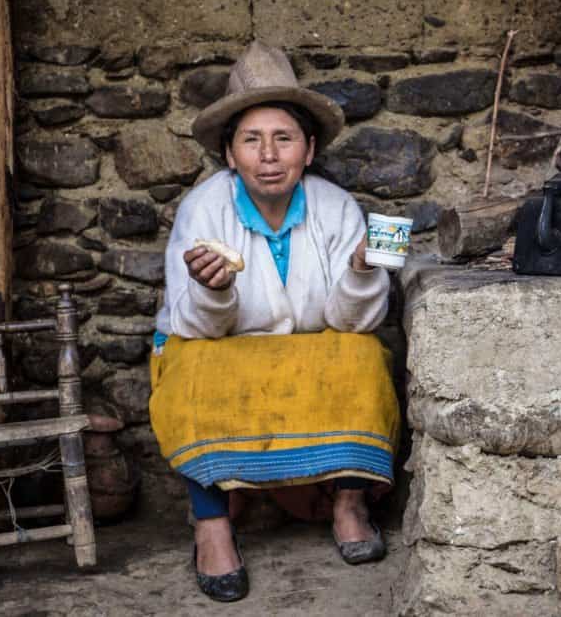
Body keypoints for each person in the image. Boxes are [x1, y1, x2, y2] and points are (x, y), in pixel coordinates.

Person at [148, 41, 399, 602]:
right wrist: (215, 289)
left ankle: (350, 503)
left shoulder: (334, 207)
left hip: (304, 350)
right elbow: (195, 326)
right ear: (231, 155)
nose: (268, 155)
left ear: (308, 151)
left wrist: (360, 271)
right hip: (217, 344)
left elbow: (349, 320)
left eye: (283, 139)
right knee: (191, 369)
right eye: (251, 140)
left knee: (363, 355)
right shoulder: (204, 209)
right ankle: (212, 526)